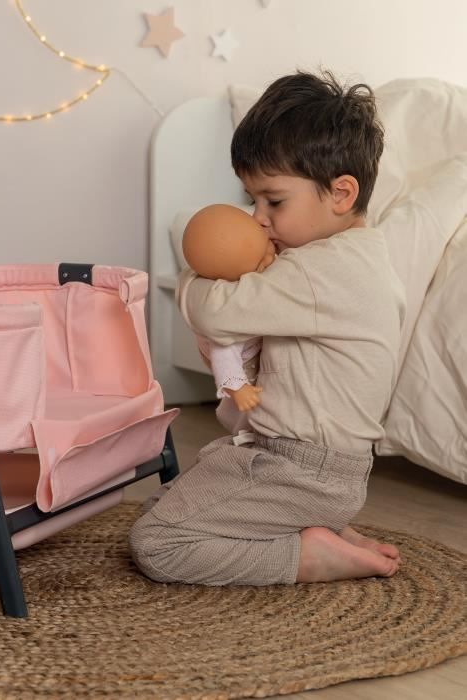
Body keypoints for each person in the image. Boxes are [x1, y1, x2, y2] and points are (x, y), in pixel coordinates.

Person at [129, 69, 406, 585]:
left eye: (273, 201)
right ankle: (320, 527)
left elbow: (214, 311)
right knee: (159, 510)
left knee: (159, 543)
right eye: (251, 199)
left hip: (302, 470)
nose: (257, 218)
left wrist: (197, 267)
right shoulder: (359, 256)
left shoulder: (319, 271)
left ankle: (308, 555)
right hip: (308, 466)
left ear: (341, 193)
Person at [181, 204, 275, 415]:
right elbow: (222, 354)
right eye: (260, 263)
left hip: (257, 346)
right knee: (242, 413)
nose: (271, 257)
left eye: (268, 243)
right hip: (245, 363)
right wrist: (237, 387)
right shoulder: (226, 310)